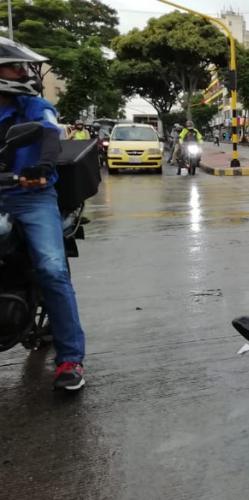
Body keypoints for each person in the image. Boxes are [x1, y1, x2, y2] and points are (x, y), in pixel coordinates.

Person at [0, 37, 86, 389]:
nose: (23, 72)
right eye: (15, 66)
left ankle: (70, 360)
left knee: (51, 269)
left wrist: (42, 166)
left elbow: (50, 134)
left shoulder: (32, 107)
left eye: (23, 66)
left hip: (30, 195)